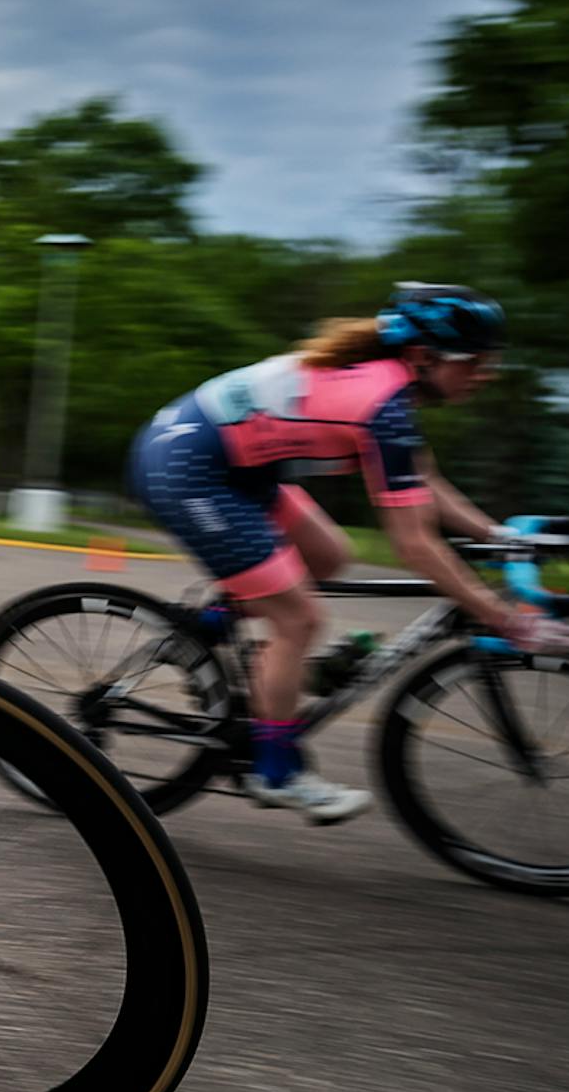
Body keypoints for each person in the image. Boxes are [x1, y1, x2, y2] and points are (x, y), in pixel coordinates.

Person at [128, 284, 535, 824]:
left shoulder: (393, 391)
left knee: (327, 557)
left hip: (235, 469)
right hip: (187, 470)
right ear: (424, 357)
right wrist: (494, 612)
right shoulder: (383, 405)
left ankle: (218, 632)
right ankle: (275, 772)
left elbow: (426, 482)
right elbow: (413, 543)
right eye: (477, 362)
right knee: (299, 618)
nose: (486, 374)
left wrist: (500, 538)